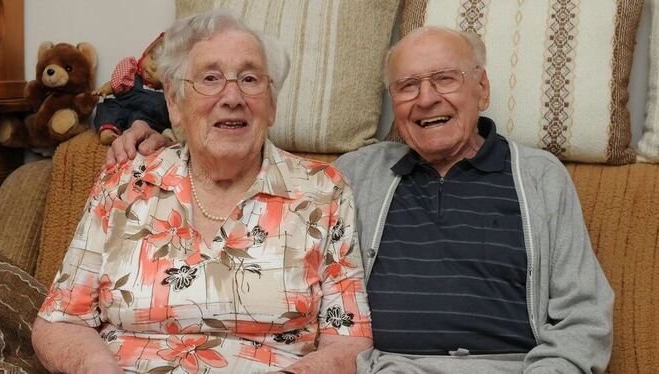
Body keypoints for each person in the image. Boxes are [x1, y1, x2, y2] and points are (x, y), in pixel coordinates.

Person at [109, 26, 614, 373]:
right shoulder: (351, 175)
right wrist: (159, 134)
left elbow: (583, 315)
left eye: (444, 79)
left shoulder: (541, 177)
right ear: (394, 104)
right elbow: (243, 148)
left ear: (480, 87)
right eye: (408, 85)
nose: (427, 98)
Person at [32, 10, 372, 374]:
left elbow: (348, 340)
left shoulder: (323, 191)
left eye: (250, 79)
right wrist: (97, 367)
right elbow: (60, 321)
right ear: (176, 106)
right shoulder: (126, 182)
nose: (233, 96)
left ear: (271, 106)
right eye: (210, 78)